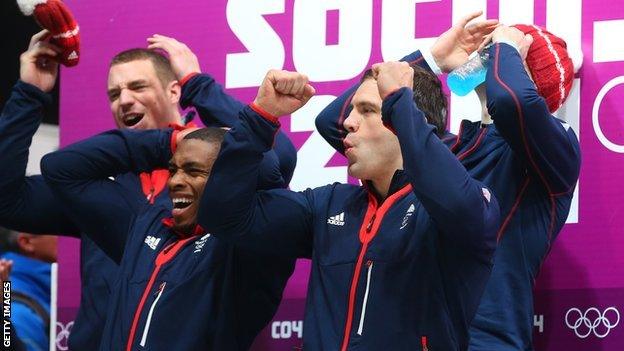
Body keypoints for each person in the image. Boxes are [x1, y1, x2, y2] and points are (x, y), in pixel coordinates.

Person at [0, 31, 296, 350]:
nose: (124, 99)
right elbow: (8, 199)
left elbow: (276, 159)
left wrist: (198, 85)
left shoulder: (216, 179)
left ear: (173, 92)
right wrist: (29, 93)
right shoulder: (101, 188)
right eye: (114, 93)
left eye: (138, 86)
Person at [315, 17, 581, 350]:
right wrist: (429, 61)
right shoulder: (450, 148)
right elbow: (335, 123)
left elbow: (514, 104)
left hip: (485, 341)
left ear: (520, 70)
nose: (486, 53)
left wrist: (507, 44)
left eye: (499, 50)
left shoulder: (553, 154)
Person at [197, 62, 500, 350]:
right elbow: (224, 216)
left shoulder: (470, 206)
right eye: (353, 110)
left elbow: (457, 202)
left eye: (367, 110)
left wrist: (400, 100)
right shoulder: (328, 206)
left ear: (405, 119)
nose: (347, 122)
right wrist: (259, 117)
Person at [40, 124, 295, 350]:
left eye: (194, 172)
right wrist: (168, 141)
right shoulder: (146, 227)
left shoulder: (242, 246)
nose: (175, 182)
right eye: (173, 169)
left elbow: (276, 165)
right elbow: (60, 169)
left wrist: (249, 130)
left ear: (229, 180)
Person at [0, 227, 56, 351]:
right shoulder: (17, 308)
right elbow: (7, 341)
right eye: (57, 230)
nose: (69, 237)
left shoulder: (42, 286)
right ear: (26, 242)